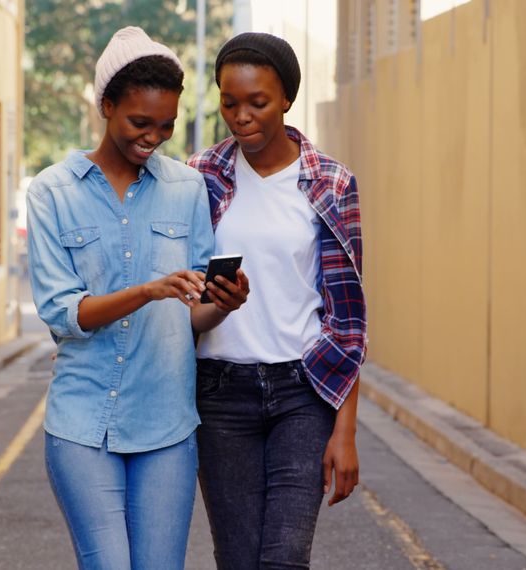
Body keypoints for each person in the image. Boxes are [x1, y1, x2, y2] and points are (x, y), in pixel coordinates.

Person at [25, 26, 249, 570]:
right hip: (83, 424)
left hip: (167, 424)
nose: (154, 137)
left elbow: (195, 309)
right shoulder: (52, 192)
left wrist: (225, 300)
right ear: (107, 106)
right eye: (140, 122)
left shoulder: (187, 188)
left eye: (167, 125)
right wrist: (146, 290)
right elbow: (64, 313)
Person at [188, 32, 367, 569]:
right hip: (219, 395)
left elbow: (348, 318)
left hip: (302, 392)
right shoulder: (198, 178)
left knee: (285, 558)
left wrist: (346, 430)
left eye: (257, 102)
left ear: (286, 98)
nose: (241, 116)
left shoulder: (331, 183)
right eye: (228, 102)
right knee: (240, 561)